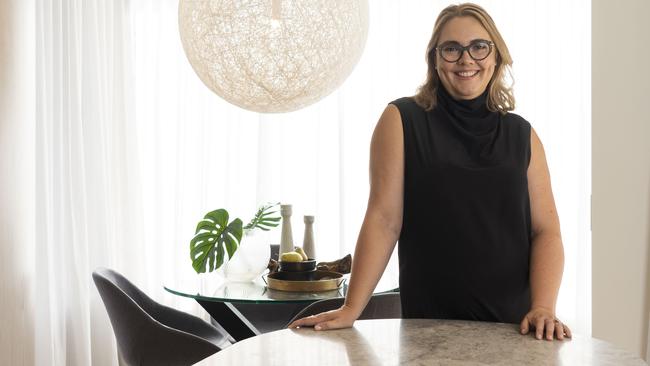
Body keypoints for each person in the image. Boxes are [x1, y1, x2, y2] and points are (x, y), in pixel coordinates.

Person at [288, 3, 571, 341]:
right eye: (451, 49)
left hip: (514, 329)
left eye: (479, 47)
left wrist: (543, 308)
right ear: (435, 59)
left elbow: (546, 232)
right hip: (429, 328)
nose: (466, 59)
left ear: (496, 56)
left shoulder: (522, 134)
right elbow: (384, 220)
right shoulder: (402, 120)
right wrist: (352, 308)